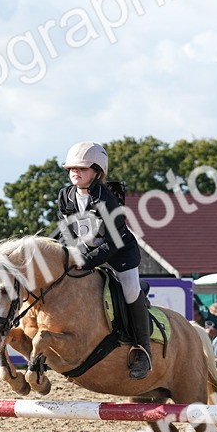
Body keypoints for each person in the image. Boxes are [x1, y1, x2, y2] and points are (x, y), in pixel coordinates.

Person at [54, 141, 150, 380]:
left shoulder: (107, 199)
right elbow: (64, 232)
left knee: (129, 290)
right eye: (71, 169)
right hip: (86, 252)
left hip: (119, 257)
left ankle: (142, 350)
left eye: (82, 169)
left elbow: (111, 242)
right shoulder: (65, 195)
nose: (75, 172)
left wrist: (85, 261)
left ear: (97, 172)